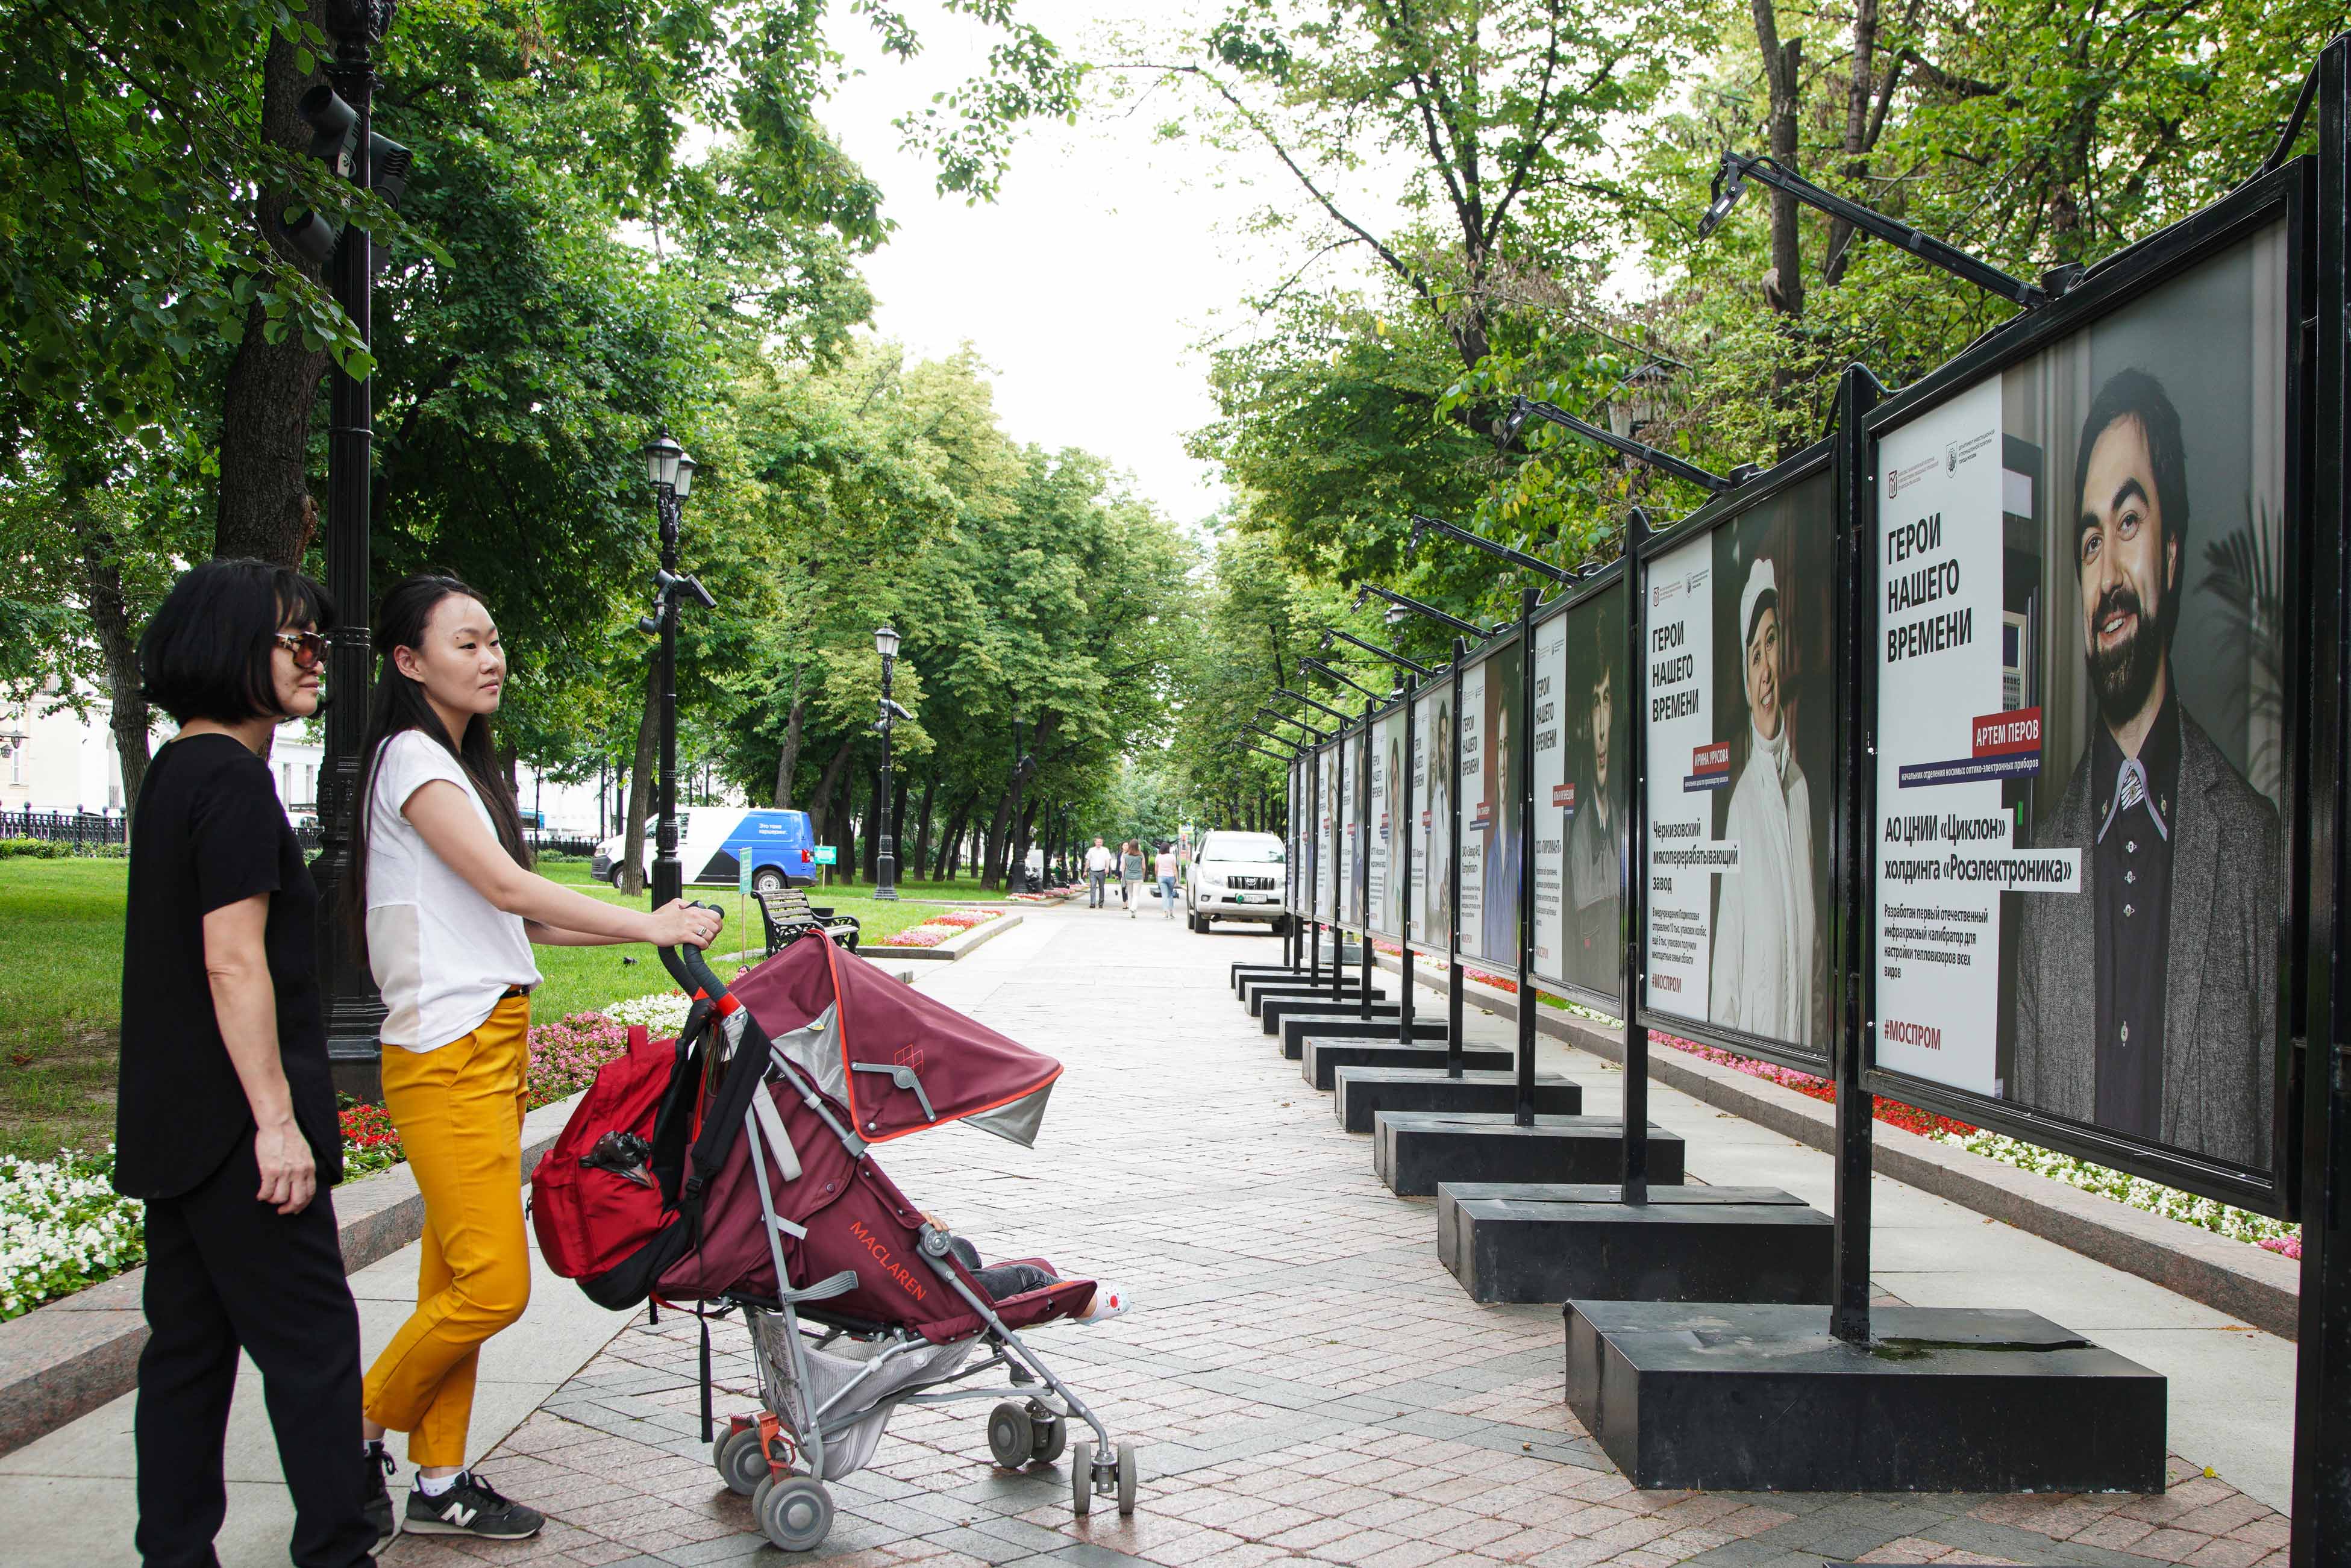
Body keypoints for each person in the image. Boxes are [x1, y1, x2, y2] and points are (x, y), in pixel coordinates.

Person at [347, 575, 721, 1543]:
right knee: (490, 1286)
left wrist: (651, 929)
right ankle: (346, 1429)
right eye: (465, 642)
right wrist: (648, 920)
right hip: (446, 1052)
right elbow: (512, 888)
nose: (490, 658)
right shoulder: (411, 760)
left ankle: (439, 1479)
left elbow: (524, 923)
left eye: (494, 639)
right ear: (407, 660)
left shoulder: (455, 767)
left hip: (487, 1044)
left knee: (452, 1282)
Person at [116, 560, 378, 1568]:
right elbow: (232, 960)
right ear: (234, 649)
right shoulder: (229, 778)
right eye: (297, 641)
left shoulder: (177, 770)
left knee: (187, 1353)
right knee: (315, 1350)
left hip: (179, 1124)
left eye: (317, 640)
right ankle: (337, 1549)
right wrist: (276, 1120)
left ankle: (174, 1551)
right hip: (238, 1132)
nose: (316, 659)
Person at [2012, 370, 2281, 1165]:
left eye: (2127, 521)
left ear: (2167, 551)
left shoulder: (2251, 842)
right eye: (2089, 541)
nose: (2106, 576)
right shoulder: (2047, 854)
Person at [1710, 555, 1823, 1046]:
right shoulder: (1741, 804)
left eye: (1771, 642)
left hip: (1801, 1051)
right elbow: (1728, 950)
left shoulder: (1800, 789)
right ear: (1745, 675)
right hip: (1758, 1050)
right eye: (1754, 655)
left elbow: (1813, 951)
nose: (1766, 672)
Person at [1564, 652, 1620, 998]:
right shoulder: (1582, 834)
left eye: (1607, 701)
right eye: (1595, 704)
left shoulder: (1620, 821)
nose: (1601, 729)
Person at [1119, 839, 1147, 918]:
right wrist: (1143, 875)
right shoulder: (1141, 855)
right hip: (1138, 877)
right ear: (1138, 846)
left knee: (1130, 894)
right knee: (1136, 895)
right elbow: (1144, 867)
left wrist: (1123, 877)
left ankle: (1132, 913)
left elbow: (1123, 867)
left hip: (1128, 877)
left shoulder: (1126, 855)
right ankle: (1133, 908)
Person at [1085, 837, 1112, 908]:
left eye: (1100, 842)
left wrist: (1107, 867)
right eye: (1098, 842)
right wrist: (1085, 871)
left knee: (1101, 888)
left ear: (1102, 843)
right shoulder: (1091, 850)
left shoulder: (1105, 850)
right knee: (1093, 887)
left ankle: (1101, 903)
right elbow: (1088, 861)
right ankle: (1092, 903)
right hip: (1093, 872)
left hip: (1102, 872)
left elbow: (1108, 859)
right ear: (1095, 842)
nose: (1099, 843)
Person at [1154, 842, 1179, 919]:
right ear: (1168, 848)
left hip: (1161, 877)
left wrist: (1157, 876)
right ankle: (1171, 913)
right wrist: (1177, 880)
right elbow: (1175, 869)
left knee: (1164, 896)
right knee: (1170, 895)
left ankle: (1165, 913)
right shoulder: (1172, 856)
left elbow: (1156, 869)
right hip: (1171, 877)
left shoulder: (1158, 856)